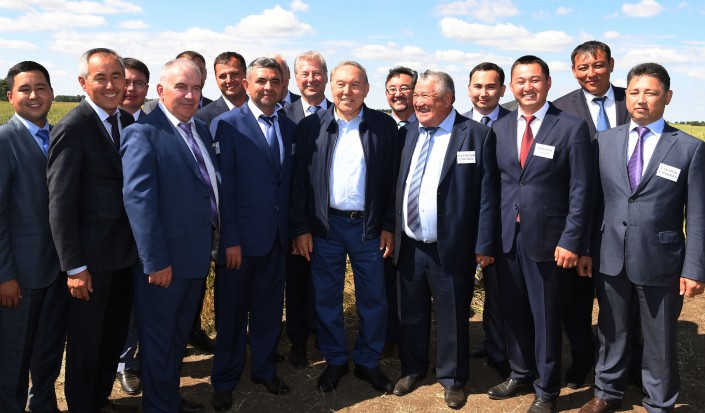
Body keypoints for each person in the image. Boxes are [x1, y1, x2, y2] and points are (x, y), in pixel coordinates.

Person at [577, 63, 705, 413]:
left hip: (661, 259)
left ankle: (659, 402)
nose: (641, 99)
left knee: (659, 337)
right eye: (634, 92)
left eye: (650, 92)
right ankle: (607, 392)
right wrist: (586, 249)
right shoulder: (605, 141)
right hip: (610, 254)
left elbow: (697, 215)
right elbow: (592, 202)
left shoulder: (689, 148)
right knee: (610, 329)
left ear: (667, 96)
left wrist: (694, 268)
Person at [487, 55, 592, 413]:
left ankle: (547, 389)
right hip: (507, 237)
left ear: (548, 83)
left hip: (550, 240)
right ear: (511, 86)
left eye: (534, 80)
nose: (527, 87)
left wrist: (571, 239)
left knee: (545, 316)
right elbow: (495, 186)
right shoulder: (499, 127)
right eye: (520, 81)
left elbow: (581, 189)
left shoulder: (571, 127)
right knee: (514, 311)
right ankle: (520, 372)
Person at [391, 70, 498, 409]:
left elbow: (487, 195)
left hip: (451, 246)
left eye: (426, 96)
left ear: (448, 99)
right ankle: (413, 368)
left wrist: (484, 243)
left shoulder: (476, 135)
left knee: (452, 315)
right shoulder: (407, 132)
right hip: (410, 244)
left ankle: (452, 378)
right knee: (411, 313)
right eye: (417, 96)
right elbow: (396, 185)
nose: (418, 102)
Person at [291, 60, 397, 394]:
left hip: (369, 227)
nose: (347, 91)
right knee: (326, 297)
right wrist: (301, 228)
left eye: (354, 84)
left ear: (366, 89)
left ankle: (367, 361)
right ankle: (336, 359)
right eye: (340, 84)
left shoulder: (384, 126)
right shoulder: (311, 127)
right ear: (330, 87)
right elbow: (299, 183)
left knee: (373, 298)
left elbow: (394, 181)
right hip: (325, 227)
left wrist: (389, 224)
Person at [122, 57, 217, 413]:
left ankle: (167, 398)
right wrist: (155, 261)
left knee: (177, 337)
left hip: (194, 257)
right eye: (181, 87)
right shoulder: (143, 133)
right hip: (165, 265)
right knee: (160, 341)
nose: (190, 95)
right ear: (160, 90)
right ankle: (158, 406)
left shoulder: (200, 129)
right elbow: (139, 202)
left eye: (196, 88)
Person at [47, 47, 138, 413]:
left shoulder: (127, 122)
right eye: (101, 78)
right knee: (86, 344)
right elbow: (60, 203)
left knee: (111, 337)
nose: (112, 85)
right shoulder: (73, 128)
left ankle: (100, 400)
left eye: (117, 77)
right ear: (83, 83)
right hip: (90, 263)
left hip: (125, 256)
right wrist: (74, 266)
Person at [209, 57, 296, 411]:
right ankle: (225, 379)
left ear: (282, 86)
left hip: (276, 239)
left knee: (268, 311)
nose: (268, 87)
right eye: (261, 81)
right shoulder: (226, 124)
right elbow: (224, 189)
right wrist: (230, 240)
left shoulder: (288, 126)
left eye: (275, 81)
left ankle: (263, 369)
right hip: (240, 244)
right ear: (247, 85)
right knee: (231, 314)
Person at [552, 40, 634, 389]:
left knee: (625, 298)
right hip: (577, 216)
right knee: (576, 298)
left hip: (624, 217)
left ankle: (631, 364)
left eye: (598, 65)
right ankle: (583, 358)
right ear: (573, 71)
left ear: (611, 64)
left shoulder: (632, 99)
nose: (591, 73)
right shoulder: (560, 108)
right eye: (583, 68)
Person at [0, 61, 66, 413]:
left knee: (48, 351)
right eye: (24, 89)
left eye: (41, 87)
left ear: (52, 93)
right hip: (20, 278)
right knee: (13, 360)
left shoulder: (60, 137)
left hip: (59, 271)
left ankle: (43, 405)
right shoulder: (4, 140)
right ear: (11, 96)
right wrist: (5, 276)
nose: (34, 95)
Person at [280, 51, 331, 369]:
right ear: (295, 79)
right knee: (297, 284)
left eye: (316, 73)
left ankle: (326, 337)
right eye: (304, 74)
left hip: (330, 220)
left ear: (325, 76)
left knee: (326, 283)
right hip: (293, 218)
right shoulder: (282, 116)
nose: (311, 79)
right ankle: (298, 341)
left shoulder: (341, 114)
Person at [462, 62, 511, 379]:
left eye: (491, 86)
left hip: (504, 221)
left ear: (502, 90)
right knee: (465, 289)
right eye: (478, 86)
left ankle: (500, 349)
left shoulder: (514, 123)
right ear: (468, 89)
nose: (483, 93)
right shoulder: (457, 124)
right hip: (465, 223)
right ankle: (479, 342)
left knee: (500, 290)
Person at [116, 57, 150, 397]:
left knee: (142, 306)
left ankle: (135, 362)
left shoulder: (156, 126)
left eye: (138, 82)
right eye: (125, 81)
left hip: (149, 235)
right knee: (120, 307)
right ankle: (121, 363)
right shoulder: (102, 124)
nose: (130, 88)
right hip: (112, 236)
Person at [144, 51, 212, 114]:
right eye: (185, 69)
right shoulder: (152, 108)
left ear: (206, 74)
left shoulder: (215, 110)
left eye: (199, 70)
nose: (193, 75)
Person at [196, 51, 248, 127]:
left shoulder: (261, 109)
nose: (229, 80)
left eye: (234, 74)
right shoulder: (202, 117)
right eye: (222, 76)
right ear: (216, 79)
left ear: (246, 74)